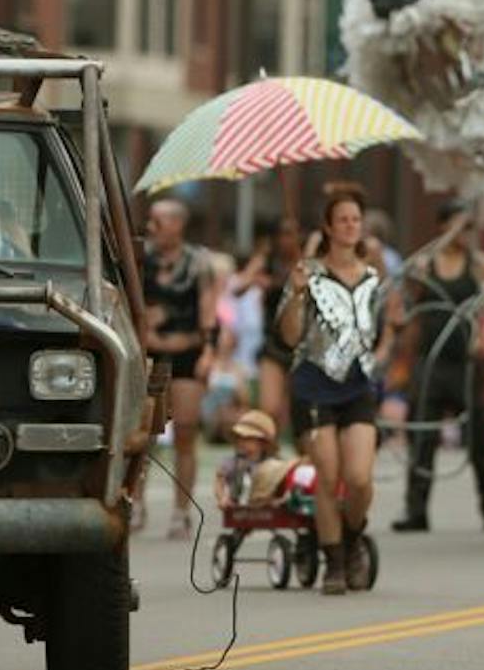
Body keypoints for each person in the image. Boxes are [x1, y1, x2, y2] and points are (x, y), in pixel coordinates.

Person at [276, 183, 390, 596]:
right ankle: (335, 561)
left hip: (357, 384)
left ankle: (353, 537)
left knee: (358, 478)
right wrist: (296, 294)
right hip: (314, 383)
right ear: (328, 226)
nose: (350, 226)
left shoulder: (372, 278)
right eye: (342, 219)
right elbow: (289, 337)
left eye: (356, 219)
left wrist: (381, 357)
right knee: (328, 475)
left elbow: (382, 329)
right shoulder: (308, 274)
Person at [393, 203, 484, 534]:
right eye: (457, 226)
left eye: (467, 228)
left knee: (478, 437)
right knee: (423, 437)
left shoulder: (479, 265)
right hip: (431, 362)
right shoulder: (425, 264)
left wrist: (483, 339)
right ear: (442, 227)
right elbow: (409, 310)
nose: (463, 234)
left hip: (465, 364)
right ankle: (416, 510)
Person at [141, 198, 217, 540]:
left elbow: (209, 312)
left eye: (158, 222)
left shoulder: (198, 263)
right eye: (150, 221)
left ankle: (181, 511)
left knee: (185, 432)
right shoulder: (142, 259)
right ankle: (136, 502)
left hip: (187, 352)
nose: (151, 228)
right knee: (143, 434)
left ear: (177, 224)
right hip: (150, 353)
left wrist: (209, 352)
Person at [231, 217, 303, 437]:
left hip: (303, 343)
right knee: (269, 408)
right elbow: (238, 288)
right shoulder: (267, 260)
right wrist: (256, 279)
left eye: (291, 234)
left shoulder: (306, 263)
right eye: (282, 234)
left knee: (297, 412)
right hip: (273, 342)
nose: (286, 240)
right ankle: (270, 450)